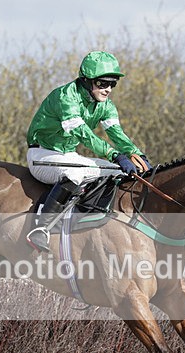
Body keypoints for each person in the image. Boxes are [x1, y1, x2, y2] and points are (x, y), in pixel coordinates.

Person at [25, 50, 151, 252]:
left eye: (112, 84)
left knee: (120, 172)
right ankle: (41, 228)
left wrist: (137, 155)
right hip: (42, 155)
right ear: (86, 80)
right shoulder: (66, 97)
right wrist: (114, 155)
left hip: (69, 156)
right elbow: (83, 134)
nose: (108, 89)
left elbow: (116, 133)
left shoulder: (106, 105)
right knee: (75, 172)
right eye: (103, 83)